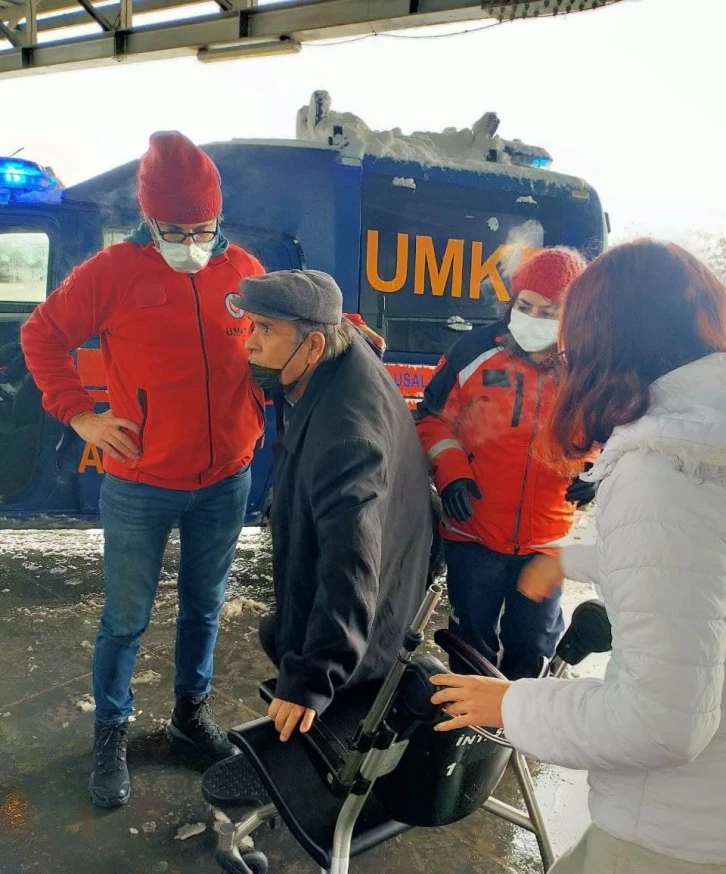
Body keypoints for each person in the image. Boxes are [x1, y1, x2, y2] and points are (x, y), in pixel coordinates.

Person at [430, 239, 726, 873]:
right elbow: (696, 564)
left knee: (529, 646)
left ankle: (502, 737)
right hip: (482, 532)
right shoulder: (704, 432)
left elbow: (662, 721)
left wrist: (510, 706)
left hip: (672, 829)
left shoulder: (663, 464)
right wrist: (571, 559)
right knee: (474, 632)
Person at [21, 132, 266, 808]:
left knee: (205, 606)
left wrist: (343, 326)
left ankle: (190, 716)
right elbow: (41, 334)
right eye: (176, 231)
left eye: (203, 229)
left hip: (226, 479)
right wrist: (80, 415)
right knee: (126, 619)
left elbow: (295, 322)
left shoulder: (242, 269)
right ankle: (111, 730)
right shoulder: (112, 272)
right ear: (148, 218)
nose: (192, 243)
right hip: (140, 484)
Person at [237, 269, 433, 742]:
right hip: (388, 594)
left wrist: (312, 677)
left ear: (314, 346)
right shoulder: (342, 355)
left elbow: (350, 564)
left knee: (318, 731)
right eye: (252, 326)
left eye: (266, 330)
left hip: (364, 646)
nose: (250, 344)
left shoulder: (346, 436)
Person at [415, 248, 597, 680]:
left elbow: (611, 435)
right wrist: (451, 472)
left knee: (533, 650)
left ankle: (519, 723)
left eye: (548, 311)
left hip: (546, 542)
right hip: (473, 532)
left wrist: (596, 471)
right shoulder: (475, 350)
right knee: (469, 650)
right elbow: (432, 419)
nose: (532, 318)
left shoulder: (592, 368)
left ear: (572, 314)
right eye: (524, 306)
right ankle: (467, 722)